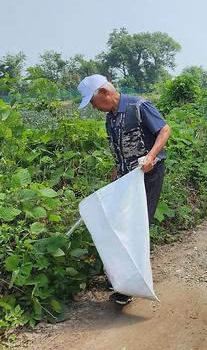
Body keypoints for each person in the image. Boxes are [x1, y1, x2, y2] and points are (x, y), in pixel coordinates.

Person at [77, 74, 171, 306]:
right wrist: (116, 169)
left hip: (148, 175)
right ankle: (121, 276)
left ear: (103, 93)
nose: (93, 107)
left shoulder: (138, 106)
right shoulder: (110, 119)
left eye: (92, 102)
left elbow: (165, 130)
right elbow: (120, 148)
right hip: (126, 178)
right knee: (118, 223)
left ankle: (130, 287)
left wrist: (150, 156)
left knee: (137, 225)